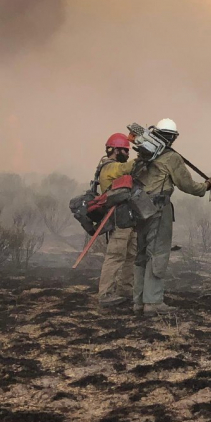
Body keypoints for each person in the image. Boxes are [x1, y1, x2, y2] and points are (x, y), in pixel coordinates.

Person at [128, 118, 211, 316]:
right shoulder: (171, 158)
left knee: (141, 255)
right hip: (159, 208)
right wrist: (206, 186)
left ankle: (138, 302)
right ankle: (153, 302)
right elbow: (188, 185)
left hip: (139, 207)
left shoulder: (144, 155)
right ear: (173, 137)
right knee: (157, 253)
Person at [89, 133, 137, 311]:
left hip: (129, 218)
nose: (127, 153)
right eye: (124, 150)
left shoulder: (113, 166)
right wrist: (145, 155)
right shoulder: (110, 167)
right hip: (119, 219)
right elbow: (128, 168)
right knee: (115, 256)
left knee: (131, 255)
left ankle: (125, 289)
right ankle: (105, 294)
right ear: (115, 150)